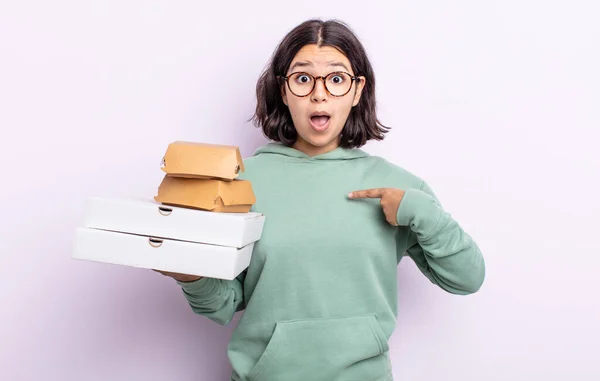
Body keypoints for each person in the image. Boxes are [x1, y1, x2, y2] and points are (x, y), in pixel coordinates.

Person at [156, 18, 486, 381]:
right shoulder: (241, 182)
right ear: (283, 91)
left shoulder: (398, 187)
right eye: (302, 79)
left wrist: (422, 212)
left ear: (357, 90)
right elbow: (223, 304)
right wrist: (189, 275)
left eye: (336, 79)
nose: (319, 94)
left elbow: (467, 278)